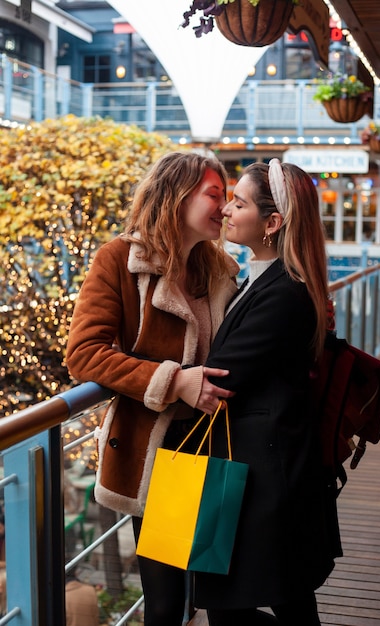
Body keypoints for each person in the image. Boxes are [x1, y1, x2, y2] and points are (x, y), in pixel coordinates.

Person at [66, 151, 239, 626]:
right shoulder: (120, 258)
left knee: (220, 599)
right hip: (160, 455)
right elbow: (83, 354)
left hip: (220, 445)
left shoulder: (219, 268)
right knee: (164, 604)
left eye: (227, 197)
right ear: (177, 194)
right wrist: (172, 380)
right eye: (214, 194)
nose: (224, 208)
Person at [176, 160, 342, 625]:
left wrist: (153, 376)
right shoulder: (268, 278)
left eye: (239, 202)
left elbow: (222, 377)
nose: (227, 210)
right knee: (283, 596)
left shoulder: (284, 291)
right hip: (267, 465)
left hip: (266, 475)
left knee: (237, 602)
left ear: (272, 223)